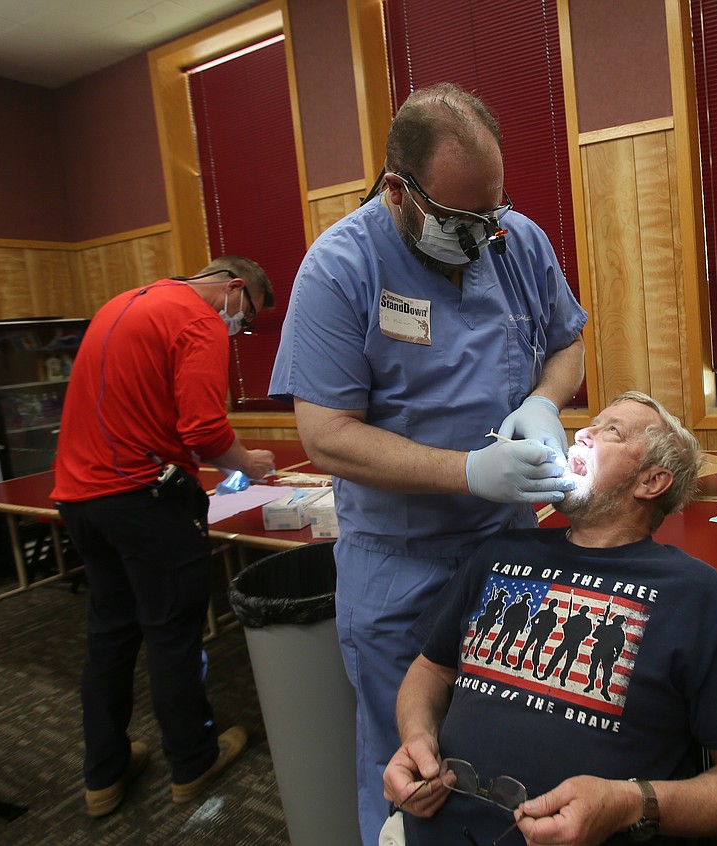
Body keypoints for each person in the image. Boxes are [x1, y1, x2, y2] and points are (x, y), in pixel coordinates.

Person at [269, 83, 587, 843]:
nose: (482, 235)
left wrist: (544, 400)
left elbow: (568, 342)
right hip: (399, 568)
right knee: (413, 774)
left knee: (515, 749)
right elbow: (327, 436)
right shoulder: (339, 270)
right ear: (398, 193)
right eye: (460, 220)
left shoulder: (516, 240)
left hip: (508, 553)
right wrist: (466, 473)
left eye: (494, 212)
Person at [384, 391, 717, 845]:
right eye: (590, 425)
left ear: (652, 481)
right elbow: (430, 670)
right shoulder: (499, 553)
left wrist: (630, 804)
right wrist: (415, 739)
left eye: (610, 430)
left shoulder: (698, 596)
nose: (581, 435)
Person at [51, 256, 278, 817]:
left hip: (81, 500)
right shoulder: (197, 320)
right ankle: (193, 760)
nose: (240, 331)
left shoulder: (122, 305)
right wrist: (246, 460)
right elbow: (202, 429)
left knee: (110, 632)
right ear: (232, 288)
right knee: (172, 632)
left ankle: (103, 774)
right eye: (245, 319)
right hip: (144, 500)